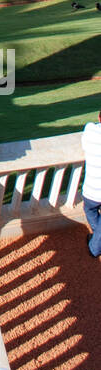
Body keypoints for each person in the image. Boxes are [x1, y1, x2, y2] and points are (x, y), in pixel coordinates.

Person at [82, 108, 101, 258]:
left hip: (91, 191)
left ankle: (95, 247)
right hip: (93, 190)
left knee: (90, 210)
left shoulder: (90, 130)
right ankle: (97, 239)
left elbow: (89, 126)